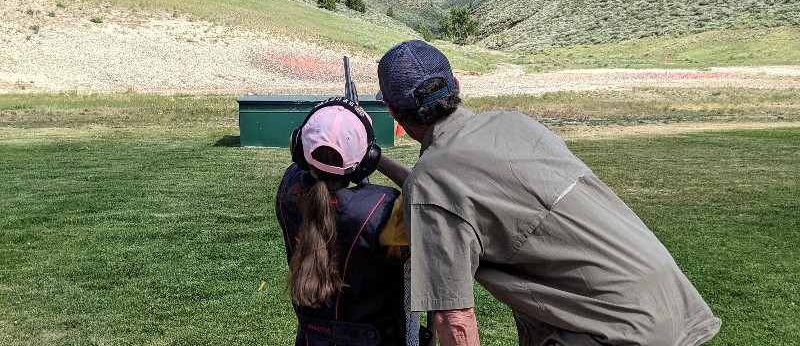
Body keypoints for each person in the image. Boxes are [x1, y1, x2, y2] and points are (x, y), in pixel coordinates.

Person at [374, 40, 722, 346]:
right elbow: (452, 194)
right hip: (666, 300)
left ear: (393, 113)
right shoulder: (513, 125)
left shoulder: (432, 182)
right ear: (456, 85)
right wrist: (378, 160)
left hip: (610, 330)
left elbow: (454, 319)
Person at [275, 97, 411, 346]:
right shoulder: (387, 209)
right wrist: (375, 157)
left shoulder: (288, 188)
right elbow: (426, 190)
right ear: (365, 161)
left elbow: (308, 175)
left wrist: (330, 138)